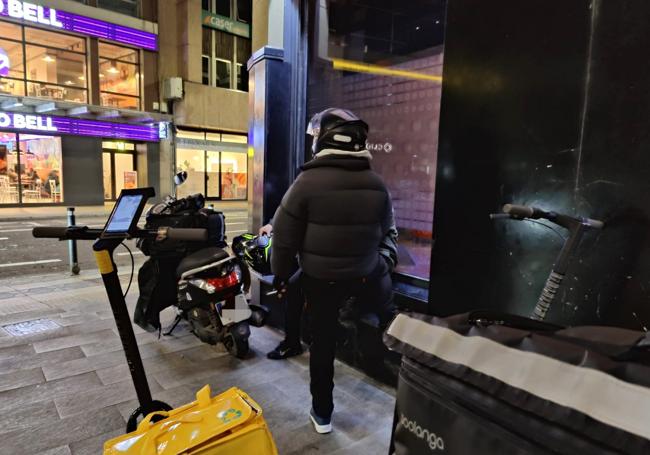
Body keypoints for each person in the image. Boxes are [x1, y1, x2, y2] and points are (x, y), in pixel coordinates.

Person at [271, 108, 396, 434]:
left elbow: (283, 241)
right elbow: (389, 233)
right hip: (367, 276)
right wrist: (380, 263)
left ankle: (322, 414)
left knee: (322, 346)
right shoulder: (377, 184)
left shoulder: (306, 183)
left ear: (322, 141)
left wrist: (281, 275)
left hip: (322, 279)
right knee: (386, 313)